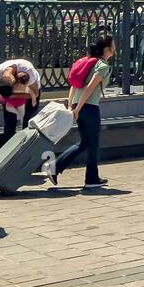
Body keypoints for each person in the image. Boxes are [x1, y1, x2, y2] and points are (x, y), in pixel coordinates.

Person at [52, 35, 116, 190]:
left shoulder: (86, 62)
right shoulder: (102, 66)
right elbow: (90, 88)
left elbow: (74, 84)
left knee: (86, 142)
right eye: (113, 45)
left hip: (78, 104)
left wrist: (71, 105)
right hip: (89, 107)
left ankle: (56, 168)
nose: (115, 47)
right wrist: (78, 109)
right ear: (107, 49)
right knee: (93, 143)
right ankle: (90, 179)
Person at [0, 56, 41, 144]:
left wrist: (11, 96)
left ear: (13, 80)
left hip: (31, 91)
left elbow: (35, 94)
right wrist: (4, 98)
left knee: (29, 122)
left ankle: (28, 145)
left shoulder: (29, 74)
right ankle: (7, 145)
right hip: (7, 96)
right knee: (9, 122)